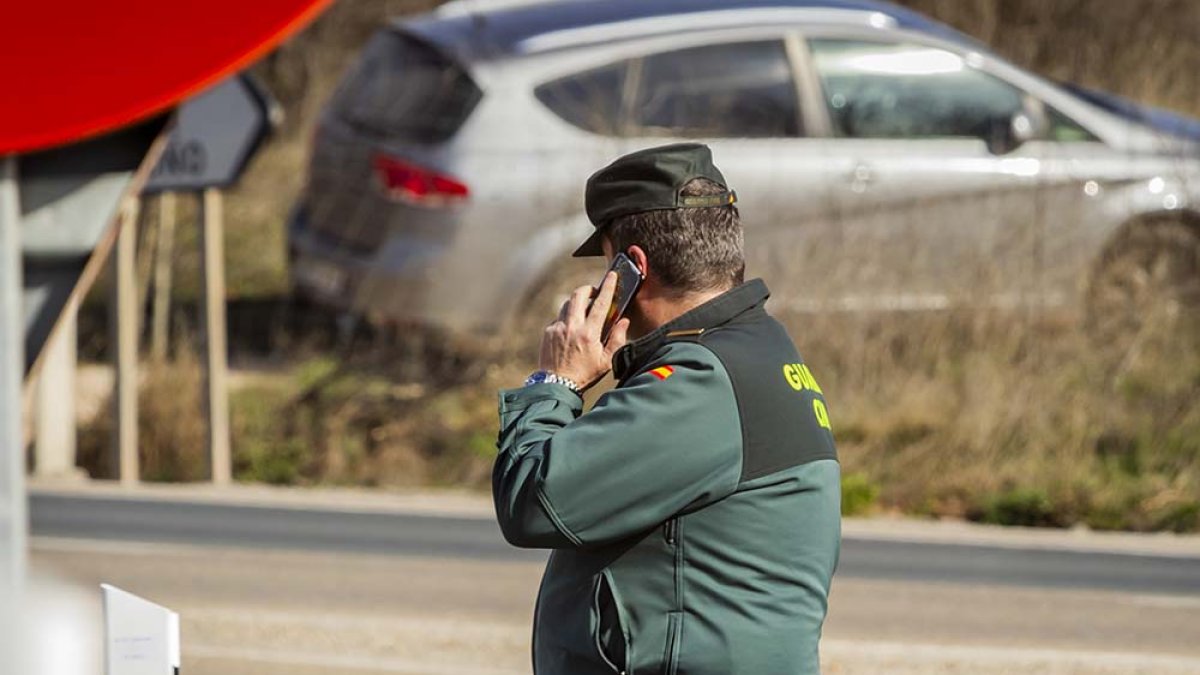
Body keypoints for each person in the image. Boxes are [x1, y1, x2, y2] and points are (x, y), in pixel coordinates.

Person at [493, 143, 841, 675]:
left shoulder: (699, 383)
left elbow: (534, 502)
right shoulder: (759, 352)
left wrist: (555, 381)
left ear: (632, 268)